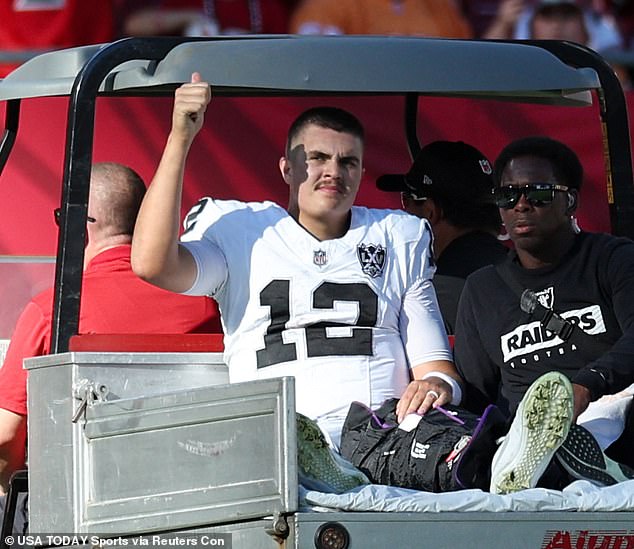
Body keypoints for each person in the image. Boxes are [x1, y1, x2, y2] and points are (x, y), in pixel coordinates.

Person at [130, 73, 461, 451]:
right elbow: (152, 264)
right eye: (318, 158)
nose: (334, 171)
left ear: (361, 173)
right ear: (288, 169)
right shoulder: (244, 232)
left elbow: (433, 361)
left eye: (348, 161)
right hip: (277, 443)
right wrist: (180, 138)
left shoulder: (397, 235)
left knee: (451, 451)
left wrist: (437, 385)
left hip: (378, 440)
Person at [0, 162, 222, 498]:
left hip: (86, 505)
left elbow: (6, 438)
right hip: (195, 498)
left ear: (83, 225)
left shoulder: (51, 311)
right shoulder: (207, 304)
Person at [453, 136, 634, 478]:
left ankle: (587, 461)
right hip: (523, 437)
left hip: (611, 411)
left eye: (538, 193)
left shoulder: (613, 258)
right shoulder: (482, 289)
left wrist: (584, 386)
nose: (521, 204)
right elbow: (477, 394)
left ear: (570, 201)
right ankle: (546, 461)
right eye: (507, 195)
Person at [376, 140, 508, 334]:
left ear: (431, 212)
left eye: (406, 200)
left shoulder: (430, 295)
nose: (403, 211)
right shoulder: (530, 273)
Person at [289, 0, 473, 38]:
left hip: (437, 115)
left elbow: (466, 69)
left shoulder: (441, 6)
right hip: (369, 117)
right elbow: (319, 72)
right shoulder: (326, 6)